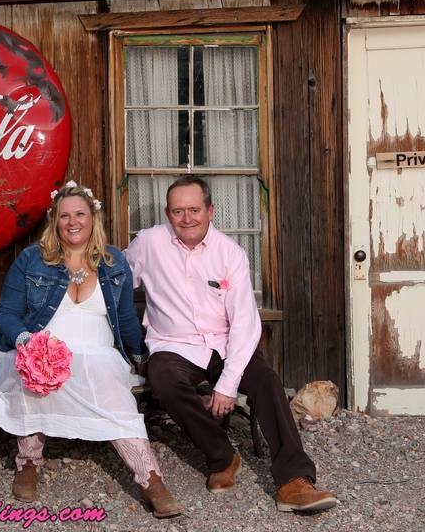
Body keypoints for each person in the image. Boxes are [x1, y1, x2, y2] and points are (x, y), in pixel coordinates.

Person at [125, 175, 337, 514]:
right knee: (163, 381)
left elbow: (244, 323)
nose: (187, 218)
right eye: (178, 211)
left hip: (225, 344)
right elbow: (115, 279)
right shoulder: (149, 244)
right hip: (174, 344)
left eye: (194, 209)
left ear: (211, 210)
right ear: (167, 213)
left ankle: (294, 480)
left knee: (266, 380)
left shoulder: (230, 254)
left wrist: (226, 386)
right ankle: (222, 455)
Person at [0, 181, 182, 519]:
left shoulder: (113, 262)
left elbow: (124, 317)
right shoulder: (33, 260)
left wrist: (141, 358)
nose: (72, 222)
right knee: (32, 376)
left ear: (93, 218)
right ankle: (29, 463)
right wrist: (25, 341)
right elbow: (7, 313)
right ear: (54, 220)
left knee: (109, 380)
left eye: (80, 214)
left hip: (98, 355)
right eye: (64, 216)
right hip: (43, 348)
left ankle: (150, 478)